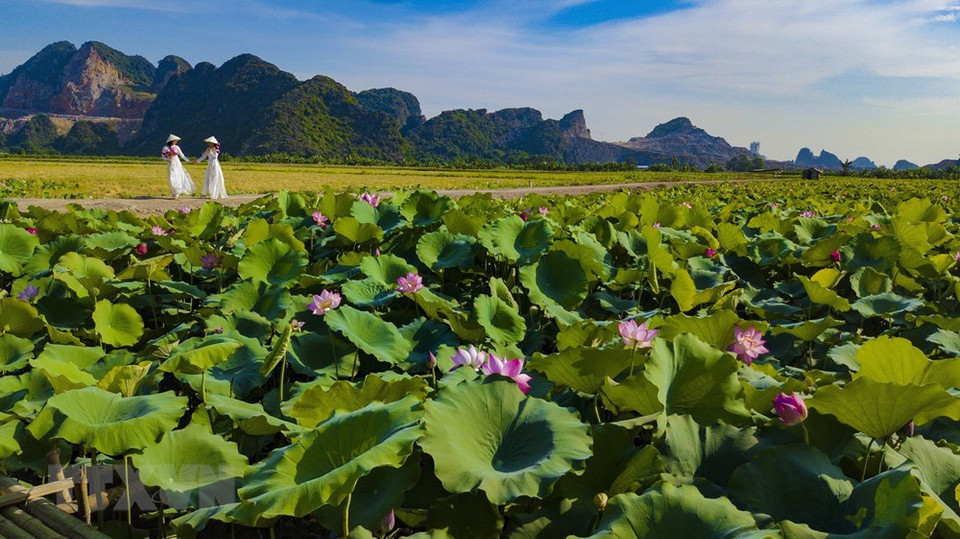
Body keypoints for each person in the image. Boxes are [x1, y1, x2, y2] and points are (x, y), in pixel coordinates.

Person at [161, 134, 196, 198]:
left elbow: (182, 155)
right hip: (170, 163)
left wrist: (188, 161)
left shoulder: (177, 147)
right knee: (171, 177)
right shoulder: (165, 148)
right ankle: (174, 191)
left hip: (176, 163)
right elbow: (163, 156)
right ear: (171, 141)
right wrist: (167, 160)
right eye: (174, 141)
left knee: (177, 176)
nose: (175, 142)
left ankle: (176, 192)